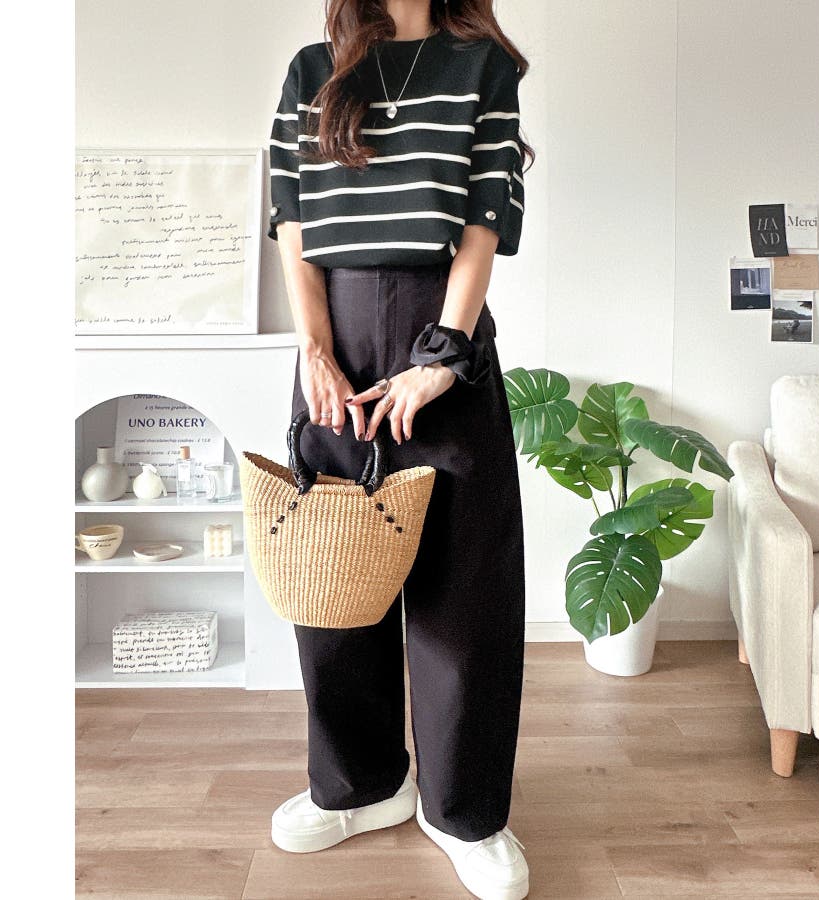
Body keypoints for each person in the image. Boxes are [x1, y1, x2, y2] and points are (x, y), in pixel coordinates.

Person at [266, 2, 533, 897]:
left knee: (465, 586)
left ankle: (464, 812)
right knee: (336, 574)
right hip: (334, 344)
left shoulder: (481, 68)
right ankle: (362, 785)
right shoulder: (313, 71)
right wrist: (313, 349)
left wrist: (443, 358)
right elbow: (293, 222)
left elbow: (482, 224)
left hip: (440, 336)